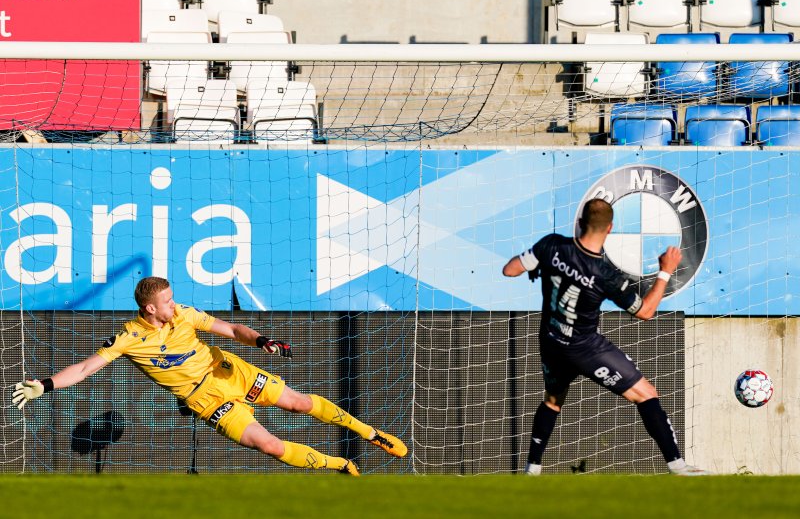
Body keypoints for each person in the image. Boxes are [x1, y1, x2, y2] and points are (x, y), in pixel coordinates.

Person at [12, 276, 407, 475]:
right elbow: (84, 368)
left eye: (171, 298)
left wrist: (261, 340)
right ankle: (336, 465)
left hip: (229, 370)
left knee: (300, 403)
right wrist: (43, 385)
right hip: (206, 401)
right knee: (268, 446)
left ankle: (372, 435)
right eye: (166, 301)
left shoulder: (183, 314)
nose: (173, 303)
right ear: (149, 309)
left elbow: (232, 330)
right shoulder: (129, 337)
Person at [502, 198, 708, 476]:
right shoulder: (605, 274)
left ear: (579, 222)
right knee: (646, 394)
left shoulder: (551, 245)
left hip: (551, 341)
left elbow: (510, 269)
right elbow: (645, 311)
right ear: (610, 228)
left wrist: (539, 266)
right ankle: (678, 467)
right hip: (585, 348)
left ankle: (532, 469)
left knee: (553, 400)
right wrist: (665, 271)